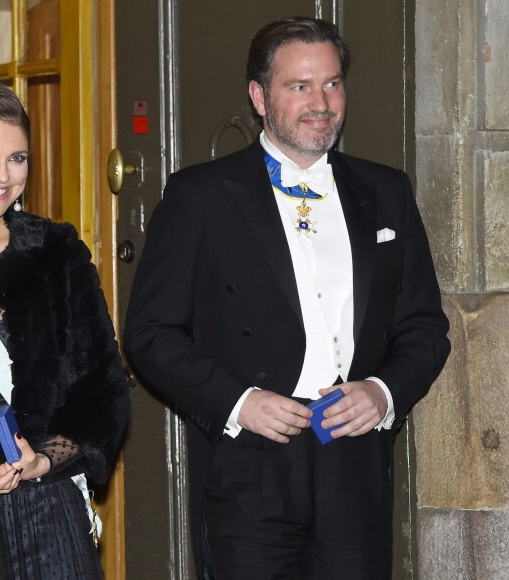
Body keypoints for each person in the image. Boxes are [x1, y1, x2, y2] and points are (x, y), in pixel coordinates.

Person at [124, 17, 450, 580]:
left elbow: (423, 326)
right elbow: (149, 333)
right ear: (259, 96)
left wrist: (382, 391)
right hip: (250, 462)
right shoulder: (199, 196)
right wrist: (238, 402)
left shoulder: (387, 191)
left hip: (355, 460)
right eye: (299, 86)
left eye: (331, 83)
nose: (320, 102)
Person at [0, 81, 129, 578]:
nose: (3, 175)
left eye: (17, 158)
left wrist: (44, 459)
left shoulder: (55, 252)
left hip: (45, 512)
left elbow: (103, 386)